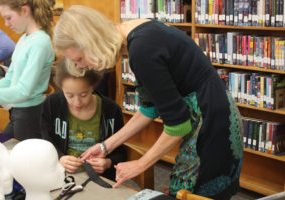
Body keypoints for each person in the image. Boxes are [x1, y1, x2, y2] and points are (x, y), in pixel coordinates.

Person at [53, 5, 244, 199]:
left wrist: (141, 164)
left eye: (79, 59)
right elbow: (149, 109)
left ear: (92, 42)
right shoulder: (136, 35)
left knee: (189, 193)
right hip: (211, 111)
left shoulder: (142, 50)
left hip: (211, 121)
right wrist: (105, 146)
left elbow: (177, 125)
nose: (81, 66)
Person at [40, 58, 126, 181]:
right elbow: (46, 139)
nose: (77, 102)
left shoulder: (111, 110)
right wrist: (59, 158)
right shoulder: (52, 103)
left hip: (100, 179)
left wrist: (107, 163)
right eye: (69, 95)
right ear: (61, 88)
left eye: (83, 94)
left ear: (93, 86)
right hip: (61, 175)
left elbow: (121, 152)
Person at [0, 0, 54, 140]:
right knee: (2, 146)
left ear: (25, 11)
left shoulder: (40, 42)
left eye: (9, 18)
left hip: (30, 113)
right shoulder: (24, 39)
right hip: (17, 110)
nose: (6, 24)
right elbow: (10, 79)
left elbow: (24, 91)